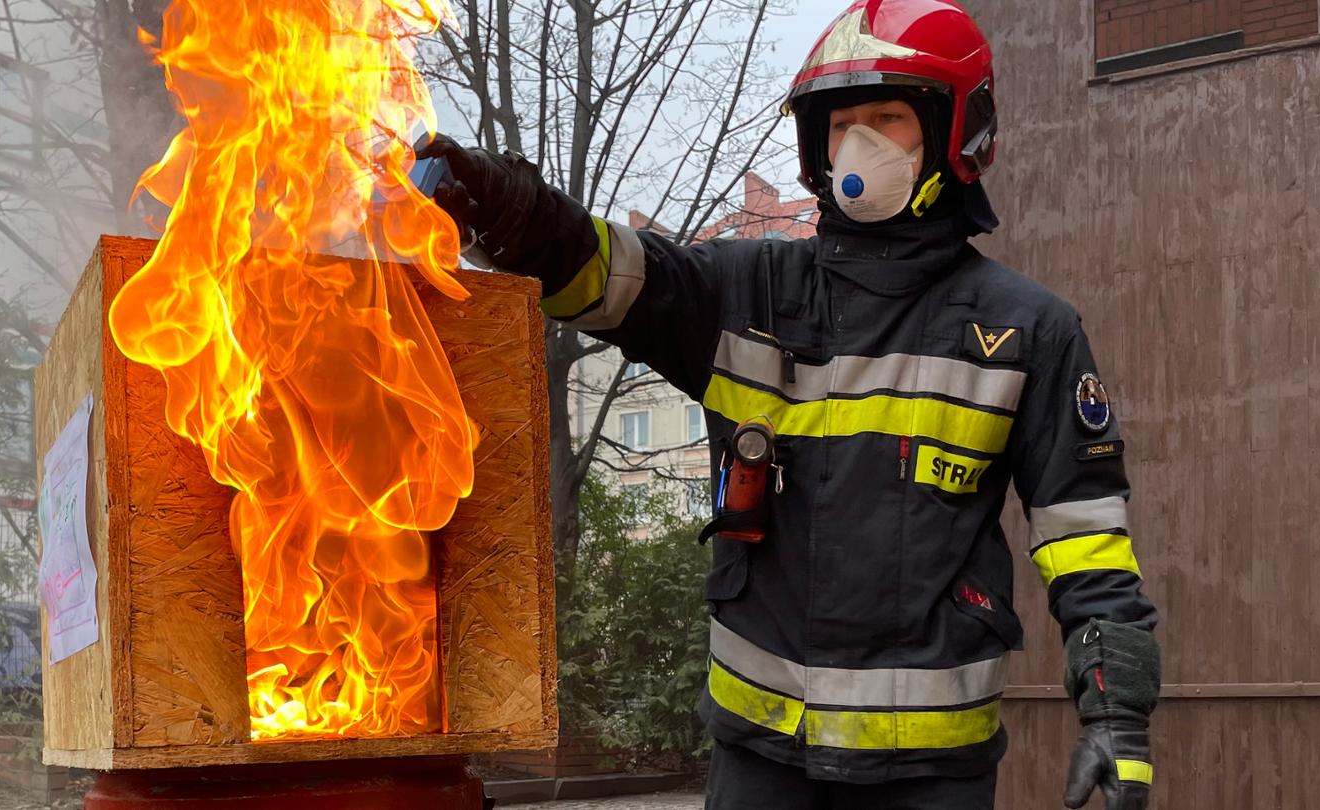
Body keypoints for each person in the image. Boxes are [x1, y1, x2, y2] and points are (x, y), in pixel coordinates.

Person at [417, 1, 1161, 808]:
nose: (859, 144)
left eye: (886, 116)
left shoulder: (1026, 331)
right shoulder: (743, 294)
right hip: (761, 766)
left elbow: (1086, 543)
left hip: (930, 779)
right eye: (842, 123)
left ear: (957, 136)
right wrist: (507, 206)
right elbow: (605, 272)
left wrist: (1114, 712)